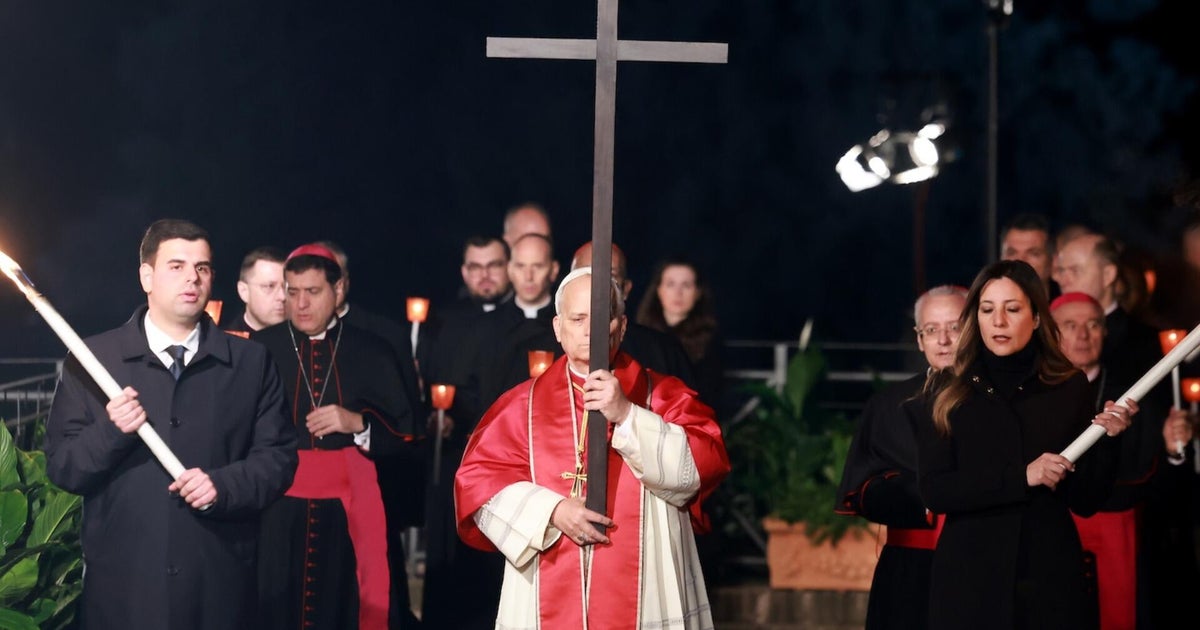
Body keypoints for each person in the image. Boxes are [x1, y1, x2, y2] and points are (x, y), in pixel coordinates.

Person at [44, 219, 298, 630]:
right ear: (147, 276)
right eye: (176, 266)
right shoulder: (93, 360)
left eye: (202, 267)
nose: (192, 279)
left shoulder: (250, 363)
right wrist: (111, 431)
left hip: (218, 589)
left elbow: (279, 459)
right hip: (123, 593)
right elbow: (63, 467)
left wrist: (223, 486)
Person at [455, 267, 730, 629]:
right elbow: (478, 483)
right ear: (558, 327)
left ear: (622, 325)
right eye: (577, 318)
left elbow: (701, 468)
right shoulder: (520, 406)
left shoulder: (663, 395)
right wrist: (552, 511)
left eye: (601, 318)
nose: (589, 329)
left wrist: (629, 416)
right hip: (548, 585)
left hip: (643, 590)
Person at [905, 260, 1135, 630]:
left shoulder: (1068, 386)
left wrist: (1108, 442)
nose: (998, 321)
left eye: (1012, 309)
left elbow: (1087, 500)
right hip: (970, 580)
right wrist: (1022, 477)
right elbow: (937, 490)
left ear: (1037, 317)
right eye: (987, 309)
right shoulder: (947, 389)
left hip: (1049, 576)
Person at [253, 244, 415, 630]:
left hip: (349, 511)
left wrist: (358, 423)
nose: (301, 304)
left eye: (313, 292)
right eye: (292, 293)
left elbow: (407, 434)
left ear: (338, 290)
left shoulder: (373, 350)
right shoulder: (260, 350)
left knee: (346, 605)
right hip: (278, 509)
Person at [836, 284, 967, 630]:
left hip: (981, 563)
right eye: (931, 330)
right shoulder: (889, 404)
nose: (943, 340)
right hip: (910, 567)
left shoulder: (1001, 400)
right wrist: (921, 494)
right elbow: (863, 488)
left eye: (954, 327)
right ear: (919, 338)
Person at [1050, 291, 1164, 630]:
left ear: (1105, 332)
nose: (1083, 335)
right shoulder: (1037, 392)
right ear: (1052, 335)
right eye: (1070, 325)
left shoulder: (1133, 392)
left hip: (1115, 531)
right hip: (1054, 532)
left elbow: (1144, 467)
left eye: (1093, 325)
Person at [571, 241, 696, 387]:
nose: (595, 284)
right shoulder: (544, 347)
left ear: (626, 289)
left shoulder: (663, 351)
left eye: (609, 275)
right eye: (585, 273)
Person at [636, 258, 722, 411]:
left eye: (686, 285)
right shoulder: (639, 334)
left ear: (698, 292)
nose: (678, 293)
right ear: (658, 290)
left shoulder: (710, 340)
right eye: (670, 284)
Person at [225, 245, 287, 335]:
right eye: (269, 286)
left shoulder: (304, 341)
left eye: (286, 287)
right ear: (244, 292)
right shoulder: (223, 343)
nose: (283, 296)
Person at [1000, 213, 1056, 297]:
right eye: (1012, 253)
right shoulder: (980, 306)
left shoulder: (1069, 309)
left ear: (1052, 262)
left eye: (1033, 253)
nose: (1020, 260)